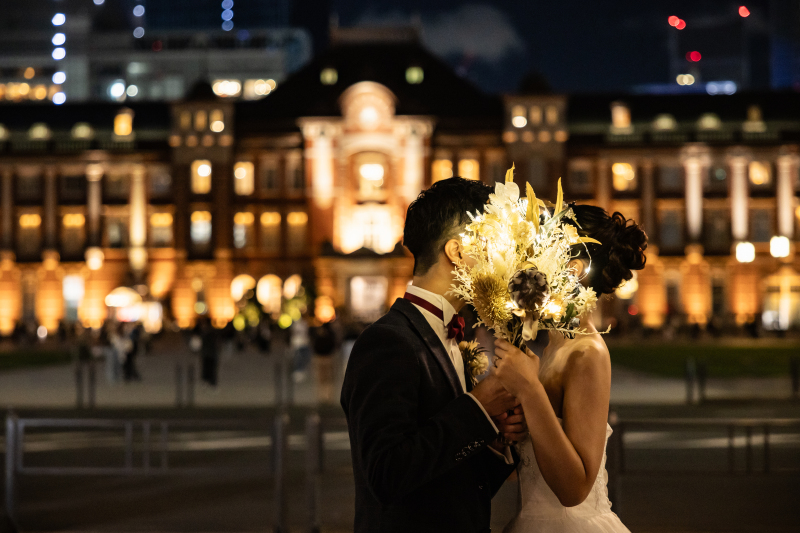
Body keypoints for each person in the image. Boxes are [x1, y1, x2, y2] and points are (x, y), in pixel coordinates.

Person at [341, 177, 526, 533]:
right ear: (456, 251)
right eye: (490, 243)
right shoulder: (387, 342)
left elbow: (456, 486)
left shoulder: (452, 334)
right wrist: (478, 407)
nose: (499, 257)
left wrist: (494, 439)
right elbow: (385, 475)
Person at [493, 204, 647, 533]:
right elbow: (531, 469)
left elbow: (574, 490)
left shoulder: (586, 353)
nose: (523, 264)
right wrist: (507, 434)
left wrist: (529, 390)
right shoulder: (552, 349)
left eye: (536, 252)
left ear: (574, 269)